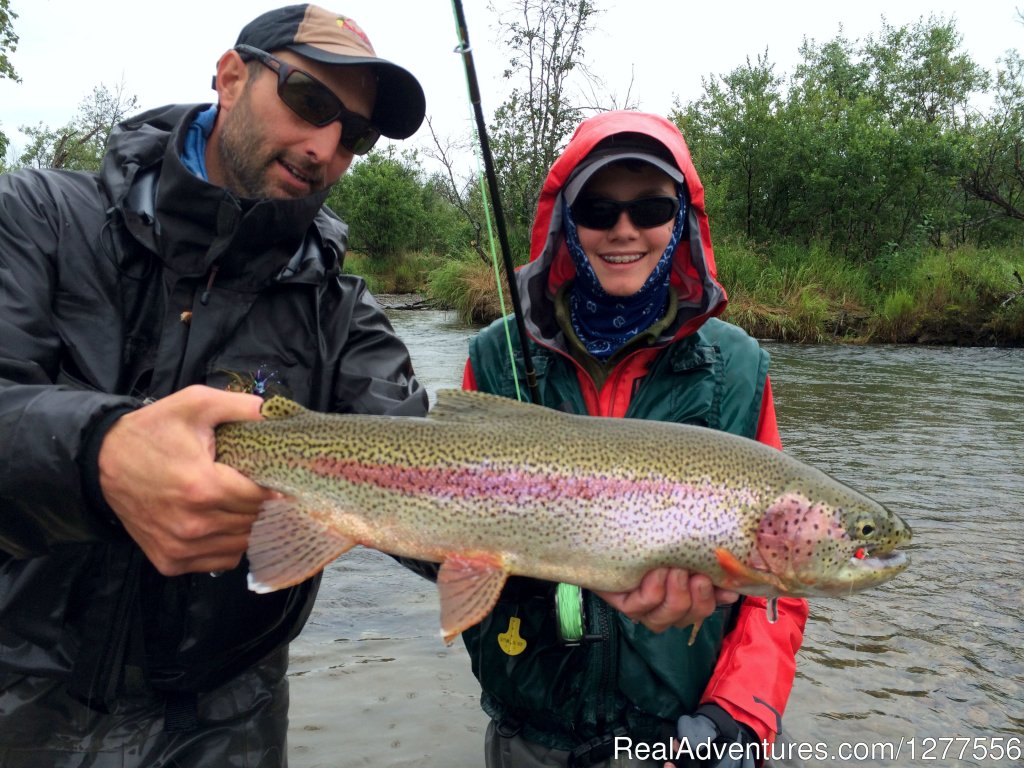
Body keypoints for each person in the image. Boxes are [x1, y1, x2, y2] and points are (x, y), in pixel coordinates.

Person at [0, 5, 428, 765]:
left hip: (229, 721)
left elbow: (426, 480)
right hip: (19, 695)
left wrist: (604, 560)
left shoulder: (341, 311)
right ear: (231, 78)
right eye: (308, 101)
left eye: (354, 135)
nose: (325, 147)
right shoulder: (34, 216)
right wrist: (98, 455)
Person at [460, 111, 810, 768]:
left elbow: (778, 586)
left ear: (680, 221)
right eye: (598, 208)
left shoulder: (736, 369)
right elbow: (449, 538)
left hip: (689, 734)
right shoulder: (497, 356)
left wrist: (738, 714)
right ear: (566, 219)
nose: (624, 229)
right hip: (534, 732)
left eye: (650, 207)